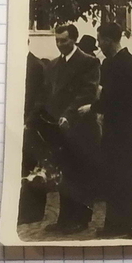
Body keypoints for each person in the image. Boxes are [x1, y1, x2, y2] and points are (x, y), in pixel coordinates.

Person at [31, 24, 101, 235]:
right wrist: (36, 119)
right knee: (64, 174)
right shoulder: (52, 66)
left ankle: (80, 219)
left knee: (80, 173)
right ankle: (64, 219)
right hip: (58, 130)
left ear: (74, 39)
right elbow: (45, 96)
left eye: (64, 40)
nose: (60, 44)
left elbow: (87, 93)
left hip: (80, 128)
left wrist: (67, 115)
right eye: (58, 41)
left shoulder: (89, 62)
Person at [84, 22, 132, 239]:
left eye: (99, 39)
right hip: (128, 128)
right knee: (120, 177)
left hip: (121, 130)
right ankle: (120, 224)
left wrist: (92, 108)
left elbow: (113, 98)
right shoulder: (128, 61)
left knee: (122, 178)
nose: (99, 44)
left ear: (108, 40)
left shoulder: (116, 65)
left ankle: (126, 226)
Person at [18, 51, 48, 224]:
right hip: (20, 120)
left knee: (33, 168)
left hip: (31, 123)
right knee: (23, 167)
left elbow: (39, 98)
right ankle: (24, 210)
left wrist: (30, 121)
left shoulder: (35, 66)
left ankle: (33, 212)